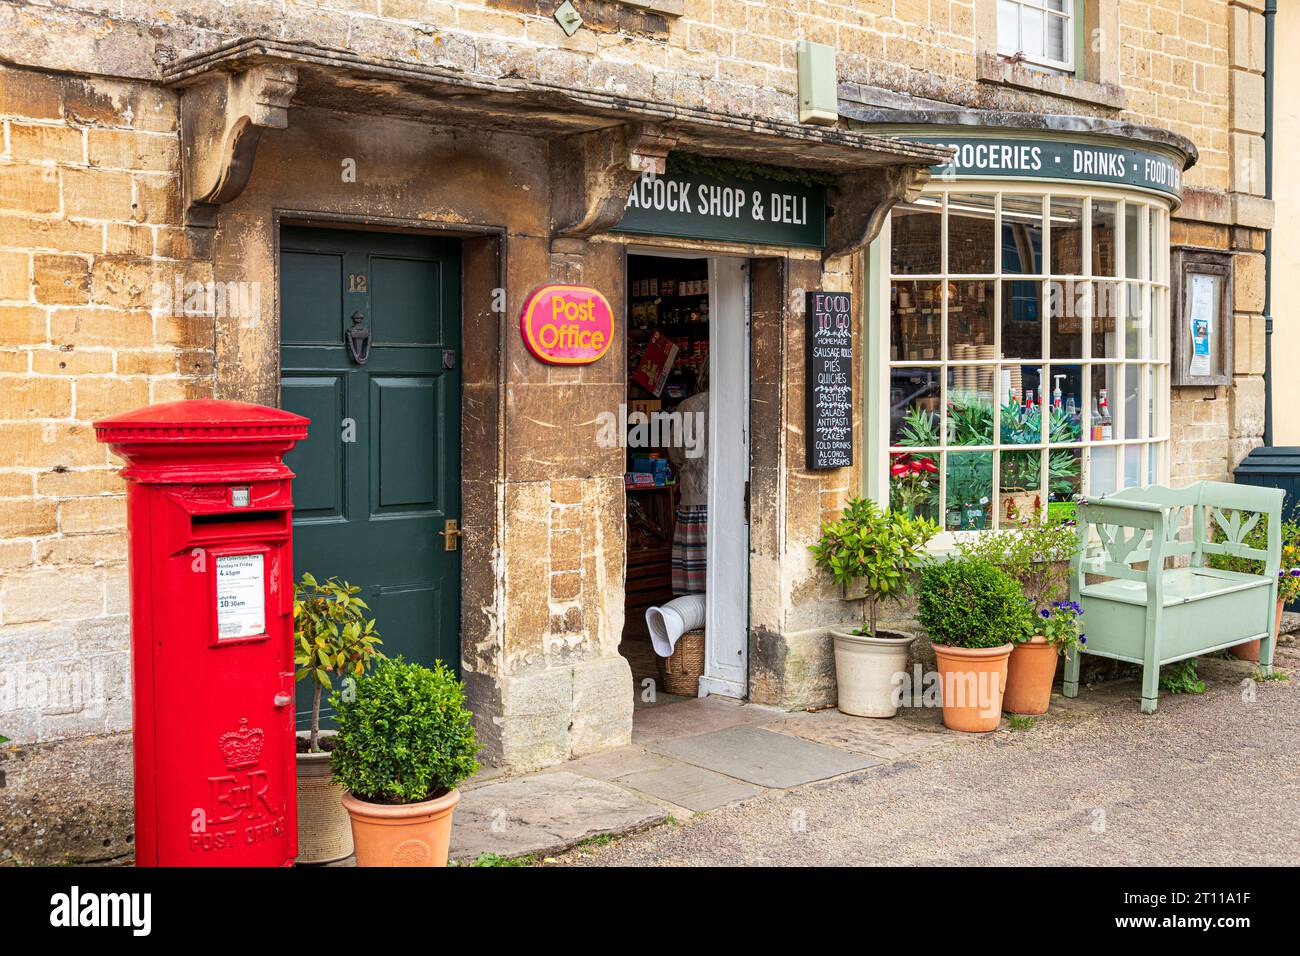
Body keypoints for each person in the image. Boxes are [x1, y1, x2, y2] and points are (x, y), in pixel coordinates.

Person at [668, 365, 708, 595]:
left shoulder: (687, 407)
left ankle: (696, 628)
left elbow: (676, 455)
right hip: (730, 505)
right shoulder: (740, 403)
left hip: (694, 504)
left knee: (695, 586)